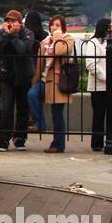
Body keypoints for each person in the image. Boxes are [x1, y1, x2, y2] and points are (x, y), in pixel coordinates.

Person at [0, 10, 35, 151]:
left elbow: (23, 50)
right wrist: (6, 35)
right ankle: (3, 139)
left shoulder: (28, 33)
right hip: (7, 76)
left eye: (14, 21)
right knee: (6, 108)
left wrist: (13, 37)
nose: (11, 23)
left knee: (23, 108)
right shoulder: (0, 33)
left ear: (20, 22)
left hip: (24, 76)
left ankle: (20, 138)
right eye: (8, 21)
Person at [84, 18, 112, 153]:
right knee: (99, 115)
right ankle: (97, 143)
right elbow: (90, 64)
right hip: (100, 86)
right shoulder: (93, 43)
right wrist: (107, 78)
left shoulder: (111, 43)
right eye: (111, 27)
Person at [38, 15, 75, 152]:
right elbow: (40, 62)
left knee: (57, 114)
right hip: (44, 80)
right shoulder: (46, 41)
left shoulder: (67, 39)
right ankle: (39, 124)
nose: (54, 27)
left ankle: (58, 144)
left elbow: (60, 51)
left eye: (58, 25)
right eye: (53, 24)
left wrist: (58, 36)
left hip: (59, 82)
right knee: (31, 95)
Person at [23, 10, 47, 136]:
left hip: (26, 68)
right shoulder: (44, 35)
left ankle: (28, 120)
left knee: (27, 96)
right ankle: (36, 121)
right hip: (40, 69)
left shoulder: (25, 35)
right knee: (37, 97)